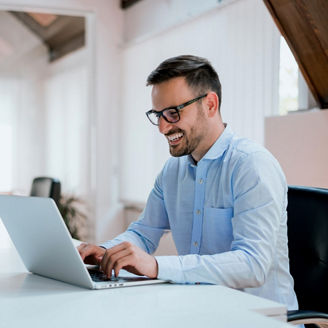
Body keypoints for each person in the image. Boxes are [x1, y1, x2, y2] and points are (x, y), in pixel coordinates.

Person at [78, 55, 298, 310]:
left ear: (210, 105)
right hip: (199, 310)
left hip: (258, 318)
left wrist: (157, 266)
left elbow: (253, 265)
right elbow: (143, 233)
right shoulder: (173, 170)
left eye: (173, 113)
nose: (162, 128)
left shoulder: (252, 166)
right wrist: (106, 251)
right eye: (157, 114)